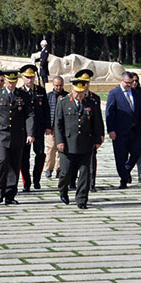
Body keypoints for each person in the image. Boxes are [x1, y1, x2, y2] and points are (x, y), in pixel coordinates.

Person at [0, 70, 34, 205]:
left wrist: (30, 133)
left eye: (14, 82)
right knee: (2, 161)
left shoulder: (22, 95)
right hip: (0, 134)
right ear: (5, 81)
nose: (11, 84)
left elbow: (29, 115)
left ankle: (10, 195)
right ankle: (0, 192)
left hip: (17, 135)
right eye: (9, 82)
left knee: (15, 165)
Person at [54, 76, 104, 208]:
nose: (79, 95)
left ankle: (81, 199)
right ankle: (63, 190)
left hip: (86, 143)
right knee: (65, 172)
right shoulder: (63, 102)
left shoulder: (91, 103)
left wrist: (98, 138)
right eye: (77, 92)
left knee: (85, 172)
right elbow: (58, 124)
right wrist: (59, 141)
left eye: (82, 92)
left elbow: (97, 122)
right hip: (68, 144)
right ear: (72, 90)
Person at [106, 71, 141, 189]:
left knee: (136, 153)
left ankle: (126, 170)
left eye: (131, 83)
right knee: (120, 156)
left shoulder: (137, 94)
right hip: (119, 131)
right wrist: (110, 130)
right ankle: (123, 179)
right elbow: (109, 113)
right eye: (127, 83)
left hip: (135, 131)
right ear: (121, 81)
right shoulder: (114, 93)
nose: (130, 85)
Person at [18, 64, 49, 191]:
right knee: (24, 157)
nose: (29, 80)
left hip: (39, 128)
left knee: (40, 154)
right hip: (23, 130)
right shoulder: (19, 92)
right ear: (22, 78)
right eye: (27, 77)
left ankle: (37, 179)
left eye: (31, 77)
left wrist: (48, 126)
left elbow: (46, 110)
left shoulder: (40, 91)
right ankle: (26, 182)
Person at [75, 69, 103, 191]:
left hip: (89, 135)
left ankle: (91, 183)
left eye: (87, 82)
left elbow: (98, 119)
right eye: (83, 82)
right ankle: (73, 182)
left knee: (91, 159)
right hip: (75, 134)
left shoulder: (94, 98)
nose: (85, 85)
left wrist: (100, 134)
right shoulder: (71, 97)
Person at [44, 76, 67, 179]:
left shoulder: (67, 96)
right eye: (56, 85)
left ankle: (60, 169)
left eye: (60, 85)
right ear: (53, 85)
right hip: (52, 127)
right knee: (51, 148)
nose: (58, 87)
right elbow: (45, 113)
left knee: (61, 149)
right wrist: (47, 126)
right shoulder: (48, 96)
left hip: (64, 128)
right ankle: (49, 168)